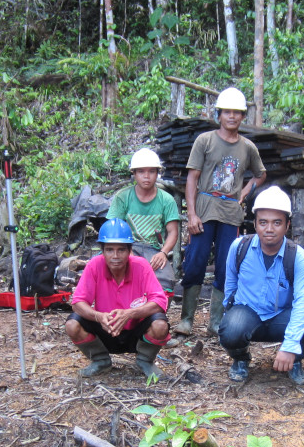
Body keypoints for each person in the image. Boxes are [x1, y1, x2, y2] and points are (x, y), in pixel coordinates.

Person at [177, 86, 267, 337]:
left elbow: (260, 175)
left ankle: (215, 323)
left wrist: (244, 193)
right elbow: (192, 179)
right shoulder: (204, 141)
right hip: (205, 209)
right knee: (195, 261)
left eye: (237, 112)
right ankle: (186, 320)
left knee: (226, 267)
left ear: (242, 117)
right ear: (218, 114)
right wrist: (192, 214)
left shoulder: (248, 147)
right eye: (227, 112)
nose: (232, 116)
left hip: (230, 212)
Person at [218, 186, 304, 385]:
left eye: (277, 223)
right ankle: (241, 358)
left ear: (287, 225)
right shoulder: (239, 247)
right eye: (263, 222)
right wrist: (230, 312)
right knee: (231, 328)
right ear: (255, 224)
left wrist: (290, 345)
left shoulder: (298, 257)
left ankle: (295, 360)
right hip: (247, 312)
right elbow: (230, 283)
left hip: (281, 317)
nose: (269, 229)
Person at [66, 219, 170, 381]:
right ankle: (100, 361)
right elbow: (78, 303)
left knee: (160, 325)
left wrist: (130, 313)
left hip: (136, 331)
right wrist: (99, 316)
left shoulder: (141, 266)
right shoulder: (94, 265)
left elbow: (160, 301)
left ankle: (145, 360)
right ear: (102, 251)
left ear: (129, 251)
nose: (115, 256)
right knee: (72, 325)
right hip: (104, 330)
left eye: (121, 250)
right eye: (109, 250)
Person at [106, 148, 180, 292]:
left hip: (153, 249)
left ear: (157, 173)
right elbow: (112, 228)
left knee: (165, 281)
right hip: (125, 246)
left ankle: (156, 313)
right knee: (104, 272)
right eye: (141, 171)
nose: (146, 176)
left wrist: (163, 253)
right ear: (134, 173)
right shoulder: (123, 197)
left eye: (151, 171)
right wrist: (125, 251)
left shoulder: (166, 200)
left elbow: (173, 232)